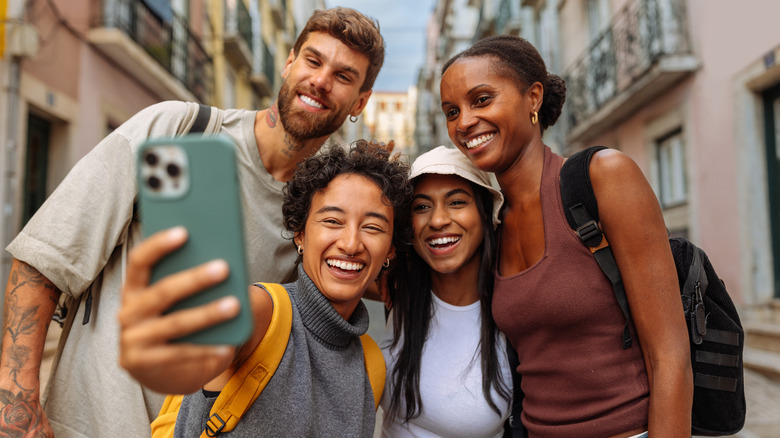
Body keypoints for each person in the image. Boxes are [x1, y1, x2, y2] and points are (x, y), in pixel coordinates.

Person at [0, 7, 385, 437]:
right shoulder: (180, 133)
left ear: (361, 102)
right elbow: (47, 258)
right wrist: (18, 400)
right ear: (290, 61)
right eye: (313, 61)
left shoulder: (316, 217)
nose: (321, 81)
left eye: (344, 76)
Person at [439, 35, 693, 437]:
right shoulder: (492, 225)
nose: (464, 122)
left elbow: (669, 354)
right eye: (452, 111)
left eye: (482, 100)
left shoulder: (603, 177)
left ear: (533, 98)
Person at [118, 142, 412, 436]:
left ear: (391, 250)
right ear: (301, 234)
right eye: (332, 221)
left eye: (373, 227)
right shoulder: (265, 311)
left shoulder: (371, 364)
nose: (350, 244)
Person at [380, 146, 512, 438]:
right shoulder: (396, 286)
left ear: (485, 212)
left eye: (456, 202)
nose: (438, 220)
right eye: (422, 206)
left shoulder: (515, 309)